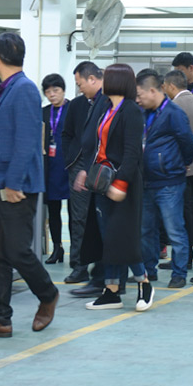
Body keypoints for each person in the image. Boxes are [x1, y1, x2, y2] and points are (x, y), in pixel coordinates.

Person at [0, 32, 58, 338]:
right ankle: (0, 318)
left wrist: (14, 183)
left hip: (14, 186)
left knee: (17, 251)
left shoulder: (25, 89)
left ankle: (48, 294)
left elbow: (27, 141)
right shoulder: (7, 89)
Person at [74, 64, 153, 311]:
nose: (103, 81)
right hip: (102, 182)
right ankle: (111, 291)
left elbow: (132, 153)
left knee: (123, 237)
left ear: (118, 80)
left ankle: (144, 283)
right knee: (108, 239)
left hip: (123, 184)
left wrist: (120, 183)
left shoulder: (131, 111)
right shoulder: (106, 108)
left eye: (107, 77)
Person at [136, 70, 193, 289]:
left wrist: (180, 164)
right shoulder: (142, 113)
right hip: (146, 181)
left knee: (174, 230)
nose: (138, 99)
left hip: (169, 182)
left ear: (153, 90)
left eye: (140, 94)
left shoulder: (173, 113)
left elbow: (188, 143)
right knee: (146, 230)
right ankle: (149, 270)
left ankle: (179, 273)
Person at [61, 61, 107, 289]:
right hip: (79, 166)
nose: (79, 88)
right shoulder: (76, 105)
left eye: (80, 84)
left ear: (92, 79)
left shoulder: (109, 102)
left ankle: (102, 267)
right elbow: (66, 134)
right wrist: (72, 159)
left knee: (100, 218)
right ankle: (79, 265)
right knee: (78, 218)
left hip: (102, 167)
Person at [159, 69, 193, 274]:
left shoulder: (172, 108)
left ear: (171, 86)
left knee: (182, 217)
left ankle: (184, 259)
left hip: (182, 169)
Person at [41, 73, 70, 265]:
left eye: (56, 90)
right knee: (53, 210)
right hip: (50, 167)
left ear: (63, 90)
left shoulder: (73, 109)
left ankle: (77, 252)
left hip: (69, 165)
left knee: (75, 213)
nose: (52, 94)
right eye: (48, 91)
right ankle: (57, 247)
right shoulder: (43, 112)